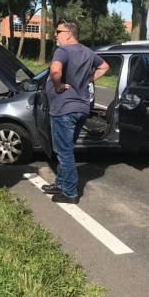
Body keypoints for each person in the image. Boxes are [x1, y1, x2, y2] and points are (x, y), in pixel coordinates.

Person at [41, 20, 109, 204]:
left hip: (64, 109)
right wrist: (88, 79)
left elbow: (55, 70)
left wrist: (58, 85)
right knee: (66, 148)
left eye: (58, 31)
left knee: (64, 152)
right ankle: (61, 184)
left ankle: (70, 192)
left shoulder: (63, 51)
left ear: (69, 33)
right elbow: (105, 67)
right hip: (81, 109)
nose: (55, 34)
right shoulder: (88, 52)